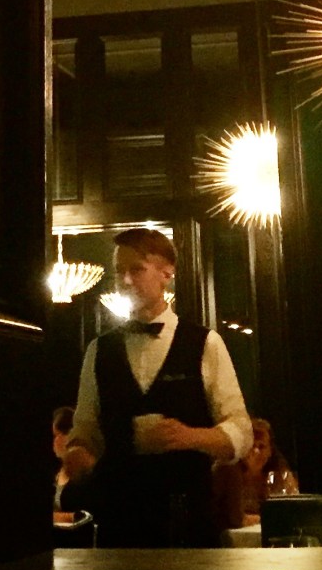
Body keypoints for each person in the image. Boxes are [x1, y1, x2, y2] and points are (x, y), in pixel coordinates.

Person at [63, 227, 253, 548]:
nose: (125, 280)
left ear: (167, 273)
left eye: (136, 269)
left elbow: (242, 431)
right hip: (119, 525)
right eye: (119, 271)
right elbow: (85, 431)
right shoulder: (99, 350)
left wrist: (191, 436)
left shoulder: (204, 343)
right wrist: (78, 454)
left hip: (188, 522)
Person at [213, 415, 300, 529]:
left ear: (270, 451)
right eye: (252, 446)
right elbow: (231, 518)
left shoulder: (279, 472)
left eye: (261, 446)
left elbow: (294, 508)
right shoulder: (229, 471)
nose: (256, 451)